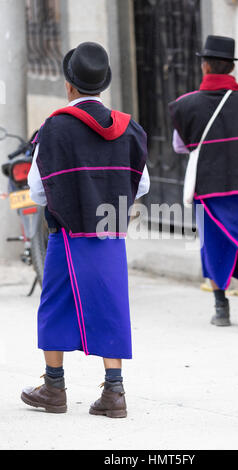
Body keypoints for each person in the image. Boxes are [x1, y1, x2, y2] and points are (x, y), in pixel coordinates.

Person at [21, 42, 149, 417]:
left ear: (69, 85)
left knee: (55, 304)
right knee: (112, 304)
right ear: (101, 85)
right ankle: (114, 393)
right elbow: (141, 186)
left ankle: (54, 386)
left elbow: (37, 190)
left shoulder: (55, 128)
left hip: (67, 234)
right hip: (112, 234)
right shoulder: (130, 129)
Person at [169, 35, 238, 332]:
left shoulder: (185, 106)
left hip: (207, 186)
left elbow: (180, 146)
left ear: (204, 66)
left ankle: (221, 308)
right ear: (231, 68)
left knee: (212, 245)